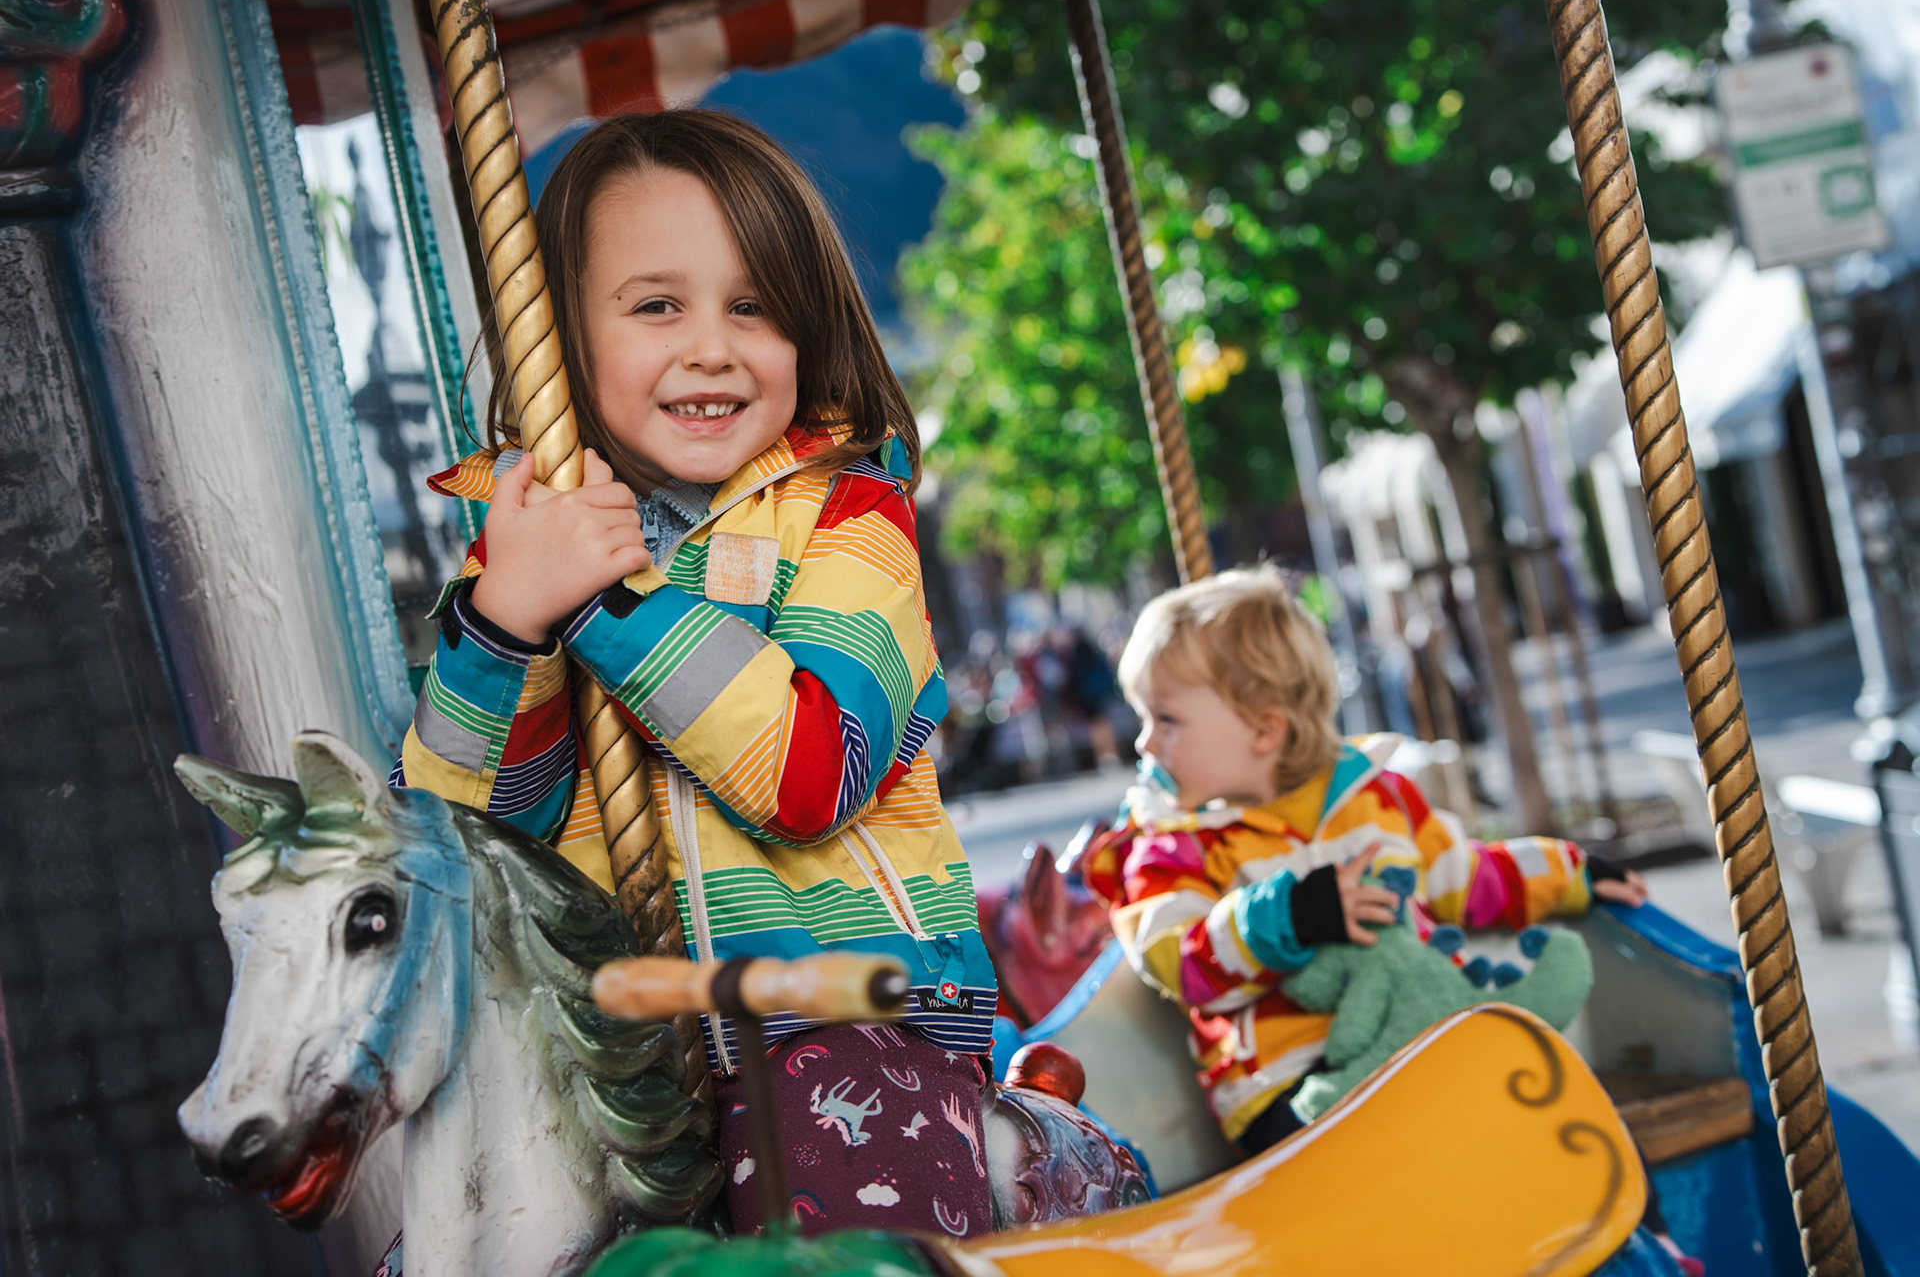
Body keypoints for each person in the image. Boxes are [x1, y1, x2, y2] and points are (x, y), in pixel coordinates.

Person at [395, 110, 995, 1239]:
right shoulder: (527, 552)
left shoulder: (850, 518)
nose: (712, 346)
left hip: (833, 1014)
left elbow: (814, 767)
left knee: (834, 1227)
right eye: (657, 306)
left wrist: (603, 600)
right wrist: (504, 622)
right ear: (557, 340)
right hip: (610, 1044)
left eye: (753, 306)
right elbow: (467, 839)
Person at [1079, 564, 1649, 1155]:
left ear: (1264, 729)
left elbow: (1464, 876)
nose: (1144, 743)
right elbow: (1178, 962)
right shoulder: (1170, 846)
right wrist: (1289, 916)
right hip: (1288, 1084)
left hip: (1415, 1040)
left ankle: (1626, 1210)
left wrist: (1571, 872)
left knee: (1548, 1099)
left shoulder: (1375, 798)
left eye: (1166, 719)